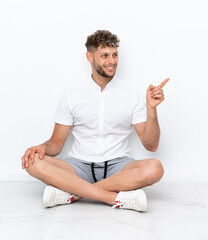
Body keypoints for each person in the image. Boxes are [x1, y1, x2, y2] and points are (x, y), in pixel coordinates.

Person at [21, 30, 169, 212]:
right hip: (78, 166)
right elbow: (56, 144)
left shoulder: (132, 94)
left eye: (115, 55)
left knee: (155, 168)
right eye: (105, 55)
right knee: (33, 162)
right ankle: (113, 198)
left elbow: (151, 145)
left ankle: (73, 193)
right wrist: (42, 148)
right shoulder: (72, 94)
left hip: (118, 166)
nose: (112, 61)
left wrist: (152, 109)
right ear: (89, 57)